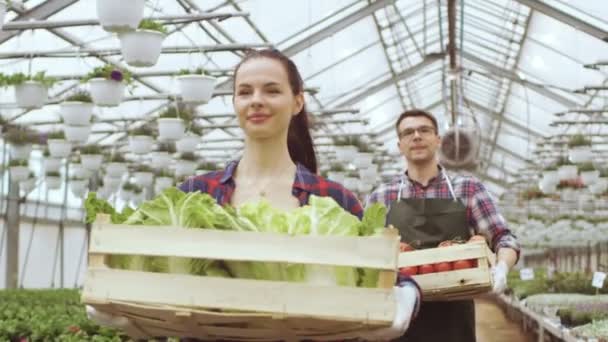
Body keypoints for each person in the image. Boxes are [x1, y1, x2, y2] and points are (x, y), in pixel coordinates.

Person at [87, 49, 421, 341]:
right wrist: (119, 295)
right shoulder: (193, 195)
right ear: (234, 103)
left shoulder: (333, 199)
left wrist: (406, 298)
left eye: (272, 90)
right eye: (244, 92)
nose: (256, 100)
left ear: (297, 102)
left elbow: (393, 275)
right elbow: (155, 279)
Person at [366, 109, 520, 342]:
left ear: (438, 140)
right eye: (408, 132)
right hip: (397, 315)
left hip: (454, 318)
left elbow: (503, 238)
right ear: (399, 145)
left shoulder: (468, 189)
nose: (416, 136)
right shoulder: (381, 196)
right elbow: (365, 249)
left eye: (424, 130)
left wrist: (502, 268)